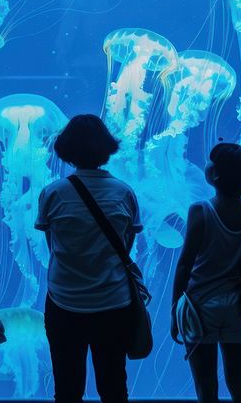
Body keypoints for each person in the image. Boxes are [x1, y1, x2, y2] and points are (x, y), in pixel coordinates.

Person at [35, 114, 141, 403]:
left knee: (67, 390)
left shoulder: (53, 193)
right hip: (114, 303)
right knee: (114, 386)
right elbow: (126, 246)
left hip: (64, 303)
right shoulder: (124, 193)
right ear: (106, 147)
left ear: (66, 149)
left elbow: (52, 245)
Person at [171, 142, 241, 403]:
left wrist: (175, 307)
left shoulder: (200, 210)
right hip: (237, 306)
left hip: (200, 307)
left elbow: (185, 264)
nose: (206, 165)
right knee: (238, 379)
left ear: (216, 174)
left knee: (205, 384)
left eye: (211, 162)